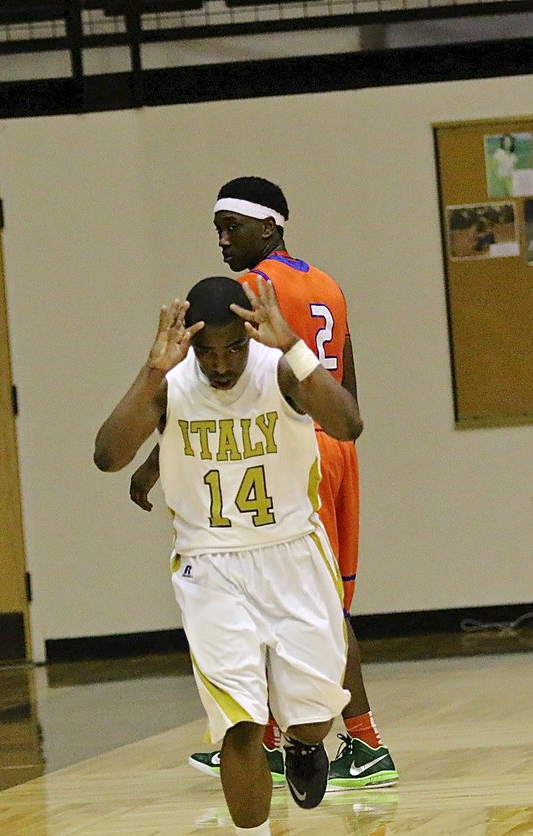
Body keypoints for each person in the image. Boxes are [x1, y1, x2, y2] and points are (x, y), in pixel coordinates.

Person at [95, 276, 363, 836]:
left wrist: (293, 344)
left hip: (293, 555)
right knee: (238, 718)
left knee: (313, 715)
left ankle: (304, 743)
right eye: (206, 352)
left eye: (231, 350)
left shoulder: (281, 369)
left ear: (249, 335)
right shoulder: (170, 382)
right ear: (189, 343)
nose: (219, 365)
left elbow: (349, 424)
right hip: (210, 567)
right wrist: (150, 372)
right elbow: (107, 454)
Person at [131, 177, 398, 791]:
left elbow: (221, 394)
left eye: (232, 227)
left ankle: (344, 740)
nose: (223, 241)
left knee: (292, 602)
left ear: (269, 226)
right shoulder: (326, 282)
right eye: (218, 230)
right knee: (319, 603)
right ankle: (295, 740)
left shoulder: (254, 290)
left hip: (287, 442)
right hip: (334, 439)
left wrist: (155, 461)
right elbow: (346, 379)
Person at [490, 134, 517, 198]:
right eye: (505, 141)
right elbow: (492, 167)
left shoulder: (512, 155)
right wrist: (499, 177)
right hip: (504, 179)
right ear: (502, 142)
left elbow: (514, 168)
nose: (507, 143)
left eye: (509, 141)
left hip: (512, 179)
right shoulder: (499, 153)